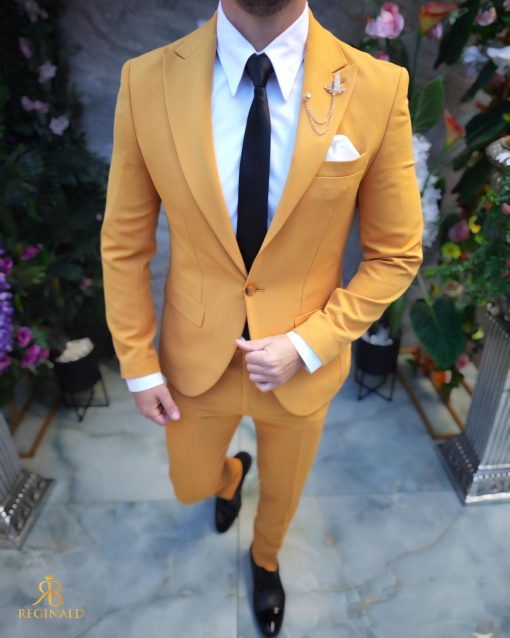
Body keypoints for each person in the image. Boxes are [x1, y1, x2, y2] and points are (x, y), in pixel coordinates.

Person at [100, 0, 423, 634]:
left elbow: (396, 253)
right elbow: (124, 244)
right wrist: (138, 363)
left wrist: (309, 343)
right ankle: (229, 477)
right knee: (190, 483)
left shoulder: (377, 87)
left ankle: (266, 558)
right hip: (196, 357)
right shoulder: (146, 80)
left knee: (285, 490)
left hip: (302, 363)